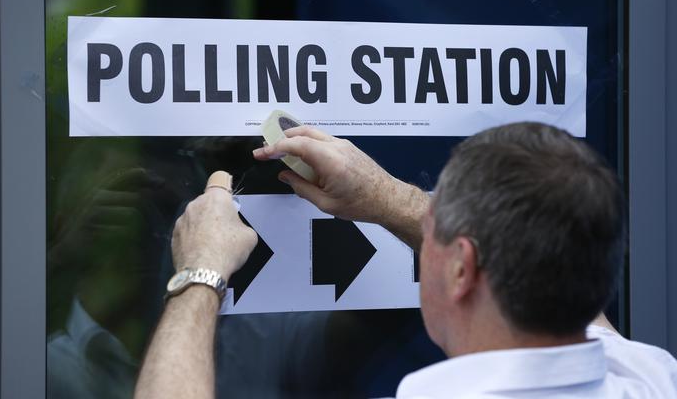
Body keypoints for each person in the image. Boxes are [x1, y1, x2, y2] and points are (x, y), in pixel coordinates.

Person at [135, 122, 677, 399]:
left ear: (461, 268)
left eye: (433, 229)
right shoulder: (648, 376)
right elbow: (559, 256)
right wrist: (383, 195)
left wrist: (200, 273)